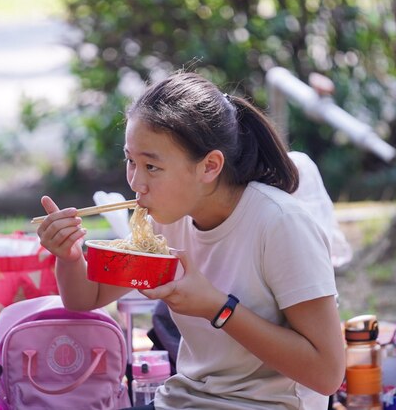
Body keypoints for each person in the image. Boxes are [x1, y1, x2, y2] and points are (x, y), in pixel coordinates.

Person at [37, 71, 345, 409]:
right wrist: (68, 257)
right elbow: (88, 296)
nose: (136, 182)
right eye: (130, 161)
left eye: (152, 167)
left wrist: (218, 308)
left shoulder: (279, 224)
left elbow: (327, 374)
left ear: (210, 166)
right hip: (186, 399)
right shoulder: (167, 219)